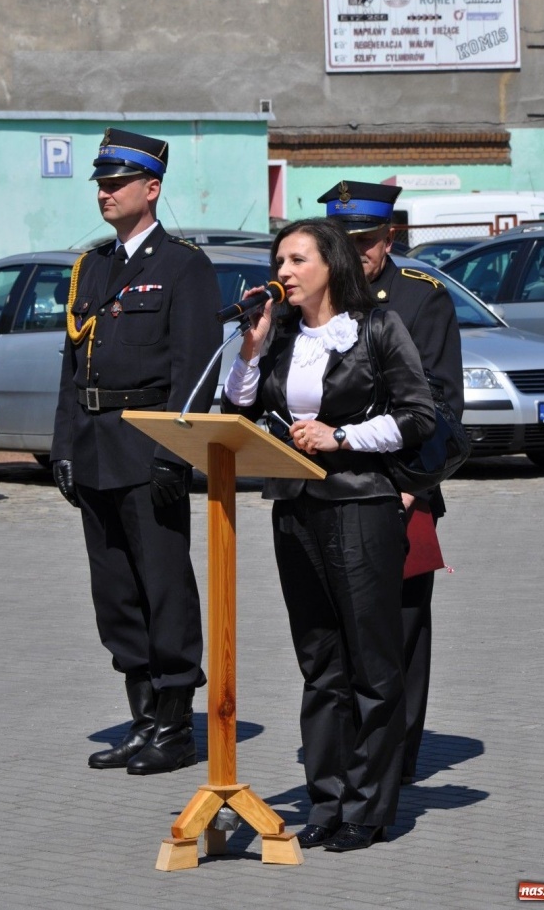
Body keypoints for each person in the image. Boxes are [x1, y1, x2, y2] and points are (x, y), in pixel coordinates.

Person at [222, 219, 436, 851]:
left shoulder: (375, 328)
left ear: (329, 265)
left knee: (372, 663)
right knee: (320, 664)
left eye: (296, 260)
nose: (283, 271)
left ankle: (370, 807)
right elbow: (240, 406)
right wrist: (251, 350)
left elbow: (418, 415)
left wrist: (341, 437)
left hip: (361, 506)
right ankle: (328, 799)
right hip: (295, 509)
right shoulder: (281, 333)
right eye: (279, 260)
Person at [51, 127, 222, 775]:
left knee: (163, 586)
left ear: (151, 189)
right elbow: (73, 366)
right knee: (116, 592)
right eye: (100, 182)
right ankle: (142, 716)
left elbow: (194, 369)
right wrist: (63, 446)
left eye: (117, 182)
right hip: (95, 447)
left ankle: (175, 725)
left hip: (149, 449)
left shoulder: (182, 267)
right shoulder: (93, 266)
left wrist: (175, 452)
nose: (104, 192)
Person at [318, 179, 464, 784]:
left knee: (398, 631)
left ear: (390, 238)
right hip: (327, 489)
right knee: (336, 631)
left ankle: (395, 757)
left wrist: (408, 486)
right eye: (343, 245)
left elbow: (441, 406)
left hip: (399, 488)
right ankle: (346, 751)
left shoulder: (421, 299)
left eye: (367, 242)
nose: (355, 256)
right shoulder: (319, 300)